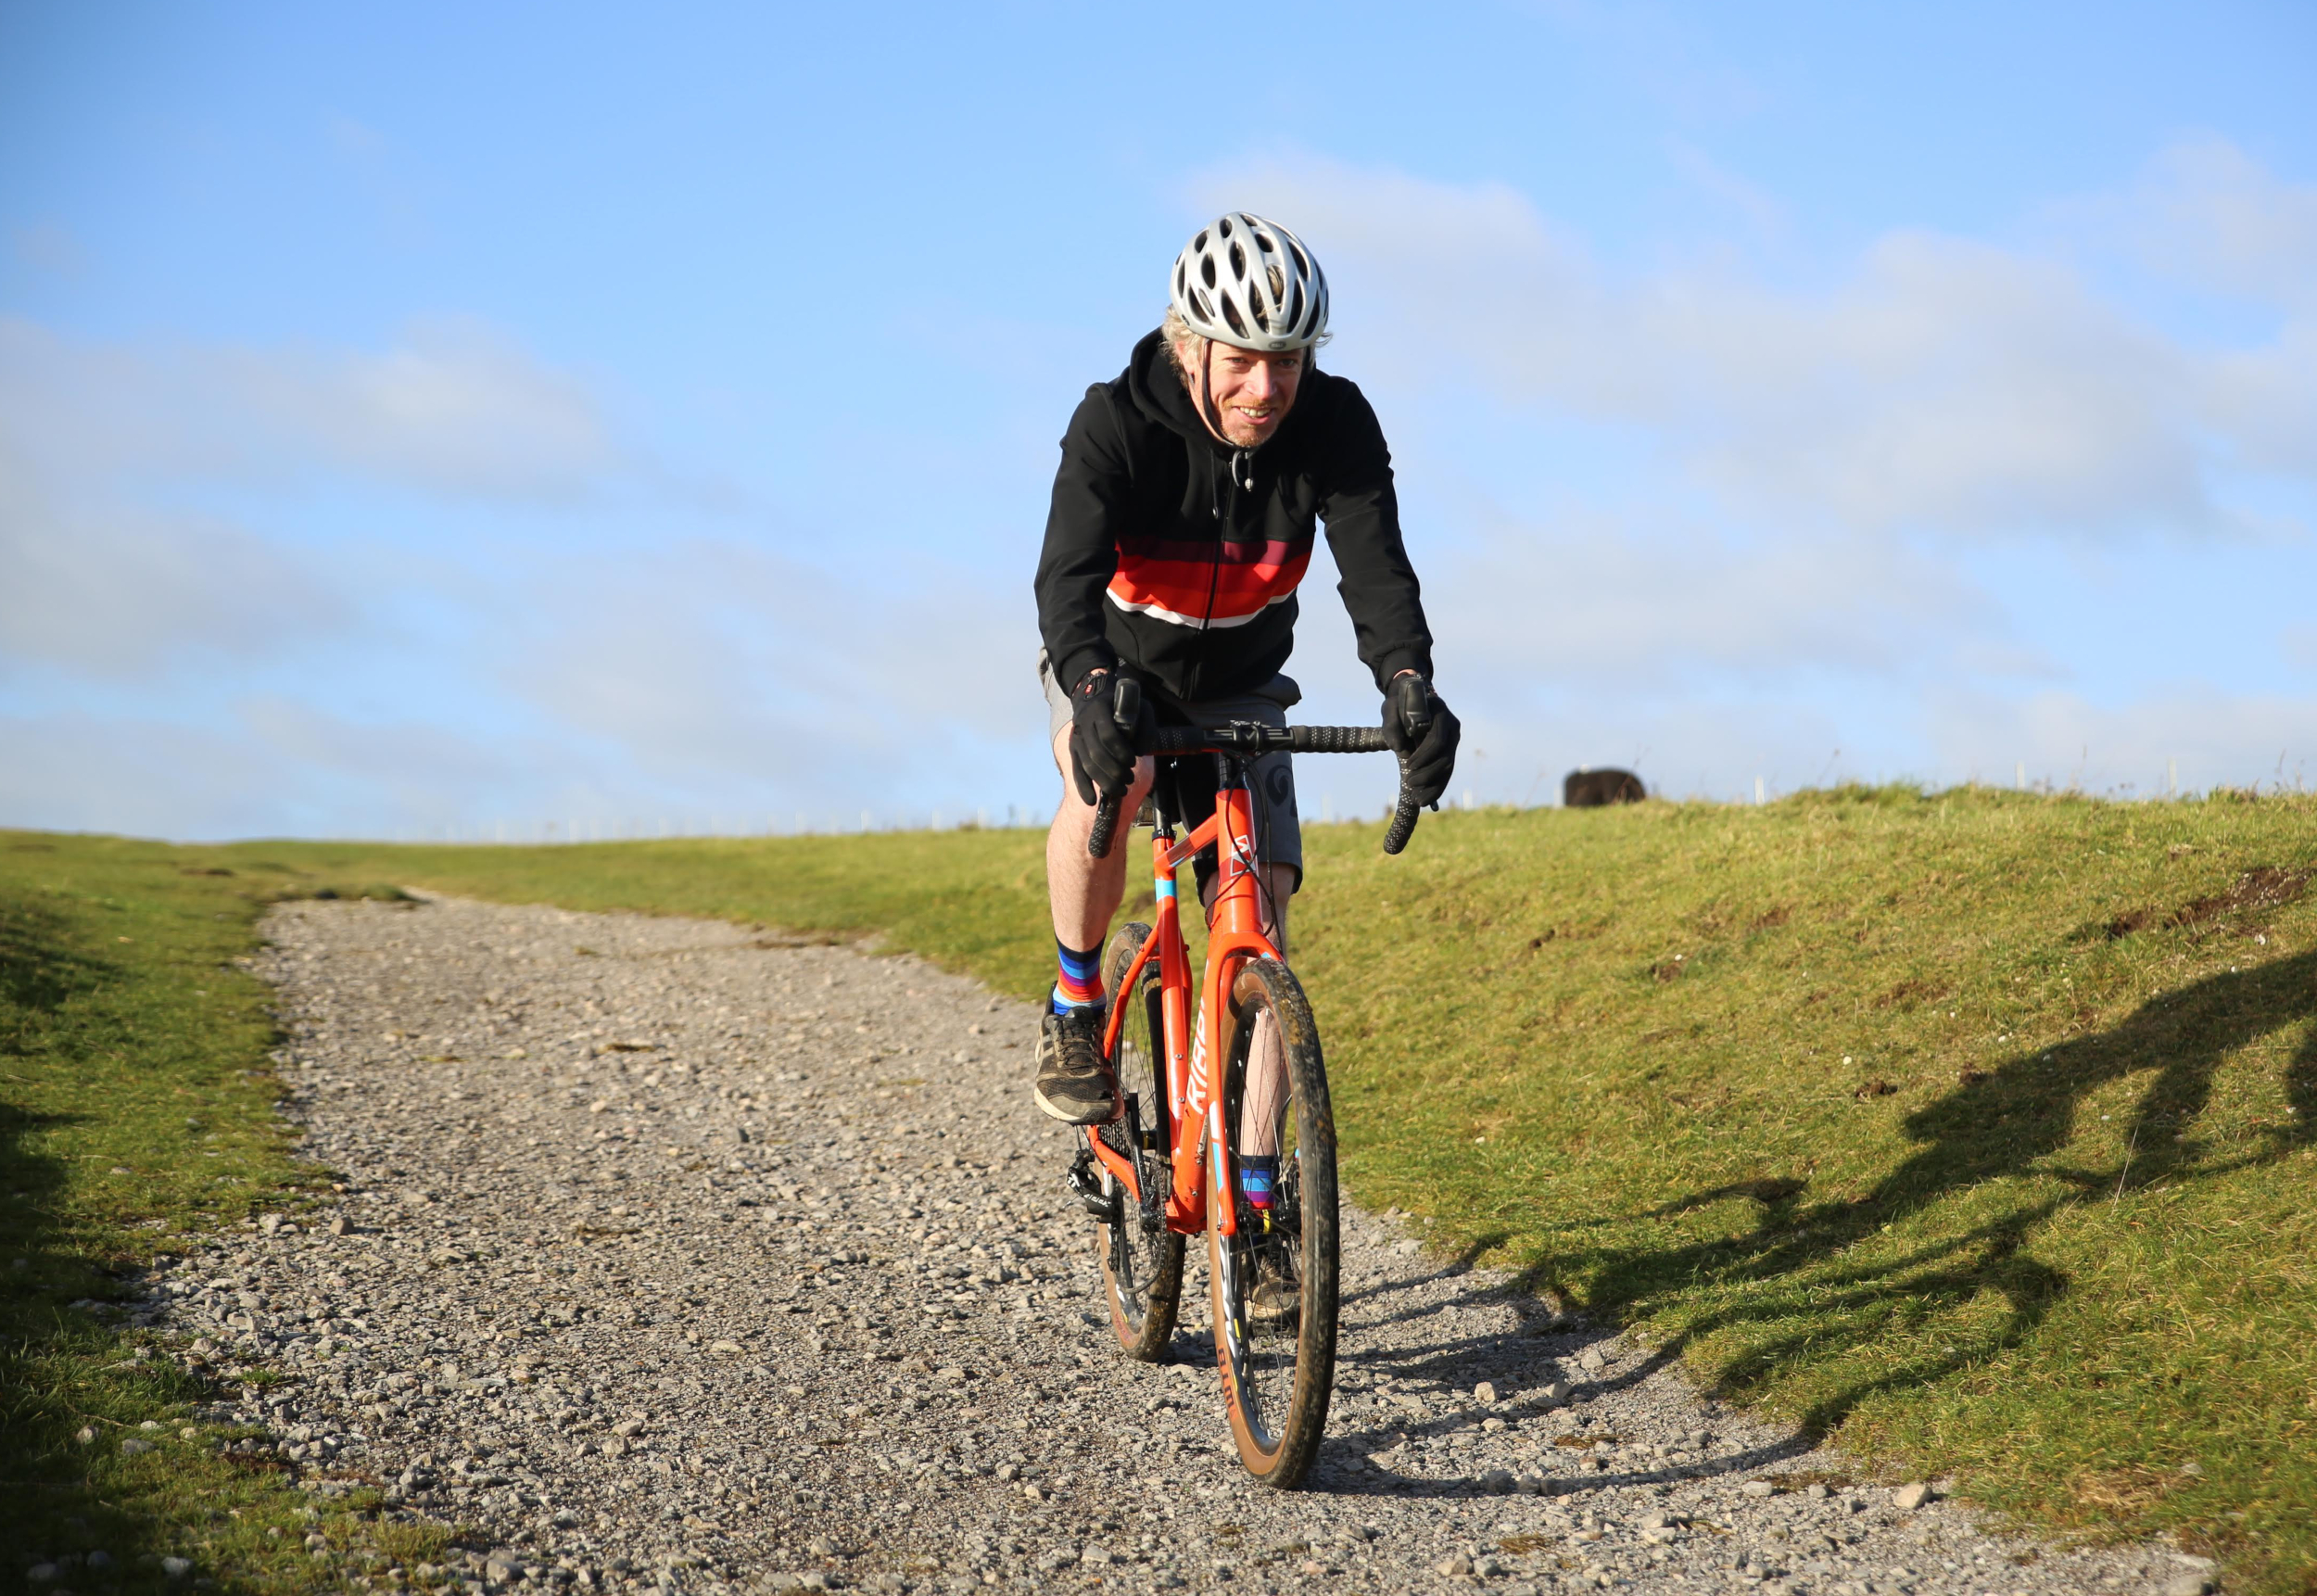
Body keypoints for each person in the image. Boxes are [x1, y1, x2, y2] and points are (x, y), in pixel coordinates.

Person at [1030, 211, 1460, 1125]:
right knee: (1114, 781)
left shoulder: (1334, 425)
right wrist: (1091, 688)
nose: (1265, 390)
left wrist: (1407, 681)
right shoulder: (1113, 422)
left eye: (1288, 362)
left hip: (1243, 685)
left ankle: (1259, 1193)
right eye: (1241, 361)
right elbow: (1065, 586)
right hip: (1114, 669)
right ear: (1188, 347)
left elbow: (1377, 571)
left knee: (1262, 919)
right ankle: (1075, 1003)